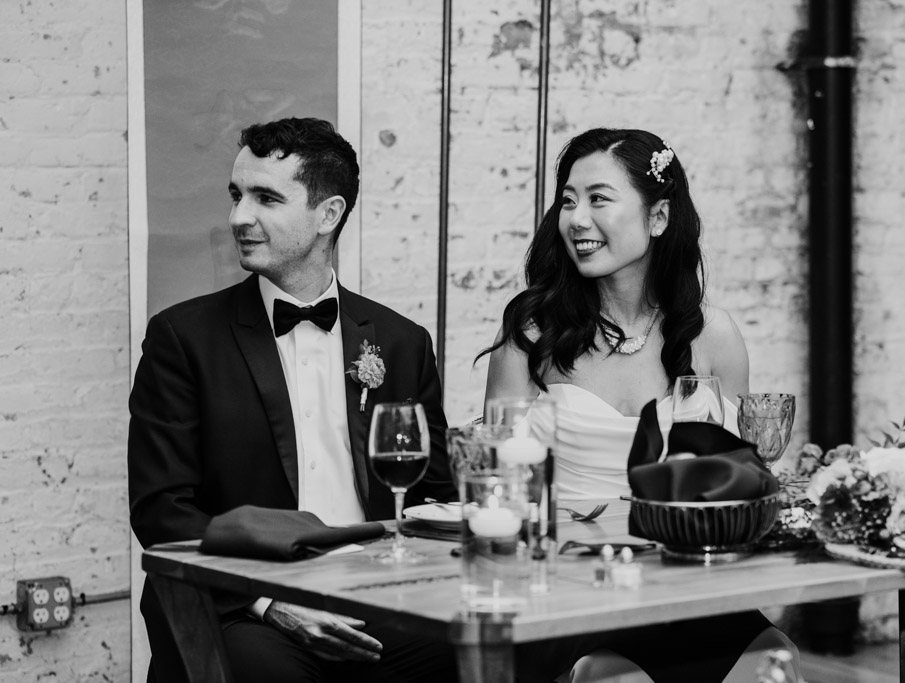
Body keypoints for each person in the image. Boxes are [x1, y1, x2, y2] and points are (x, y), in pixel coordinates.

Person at [128, 117, 458, 683]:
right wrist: (269, 601)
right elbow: (162, 510)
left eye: (265, 198)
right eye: (237, 195)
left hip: (379, 598)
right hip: (240, 606)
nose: (238, 217)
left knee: (481, 657)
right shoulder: (182, 339)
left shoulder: (402, 343)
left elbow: (434, 498)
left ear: (328, 215)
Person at [481, 127, 799, 682]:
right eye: (568, 201)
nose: (577, 218)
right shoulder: (534, 333)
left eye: (599, 198)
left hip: (690, 581)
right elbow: (495, 489)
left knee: (774, 661)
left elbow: (741, 480)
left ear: (658, 218)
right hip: (573, 588)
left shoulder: (714, 335)